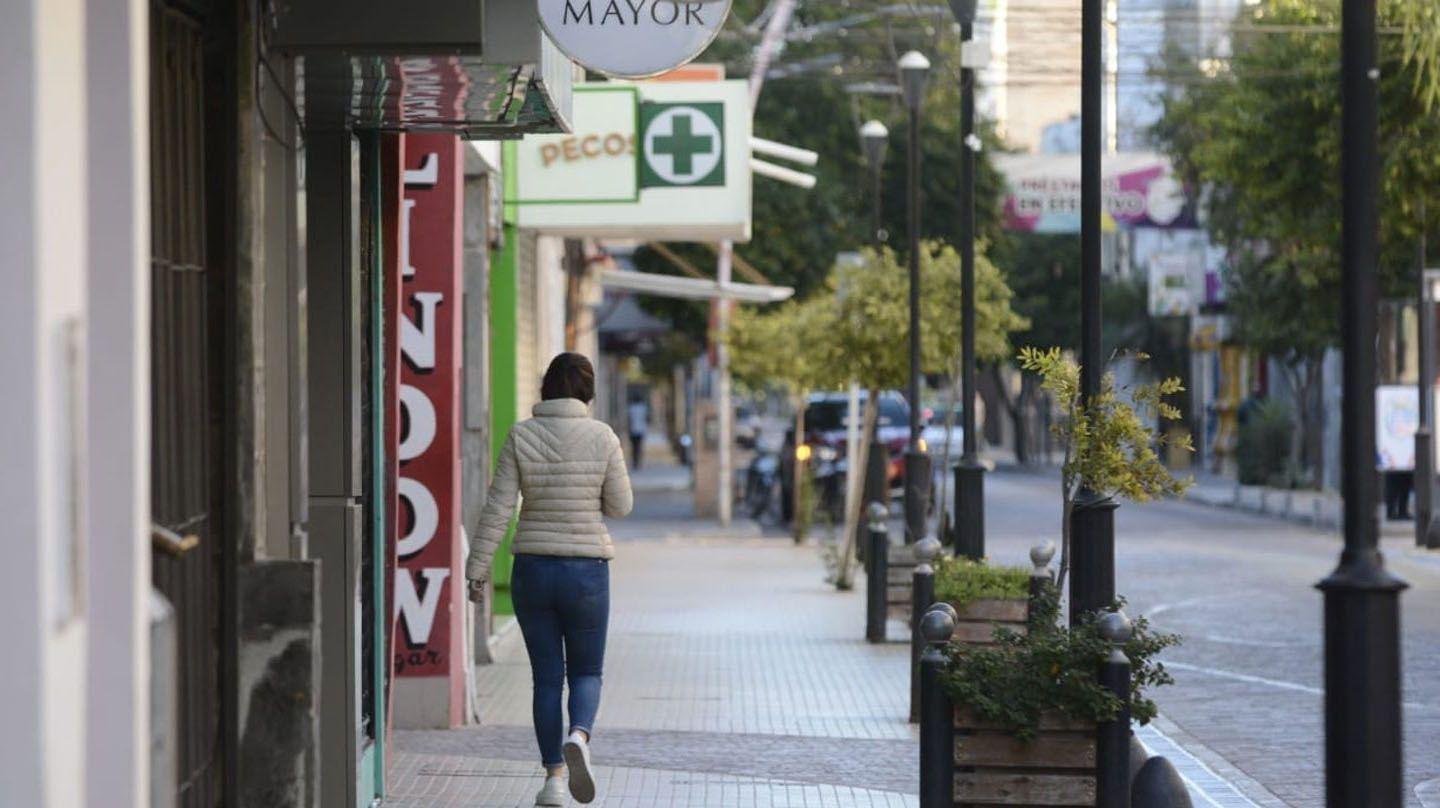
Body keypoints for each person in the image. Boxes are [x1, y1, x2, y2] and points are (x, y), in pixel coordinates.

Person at [466, 353, 633, 807]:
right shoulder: (603, 437)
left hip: (533, 571)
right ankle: (579, 734)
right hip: (586, 573)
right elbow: (620, 506)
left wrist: (477, 569)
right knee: (586, 671)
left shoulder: (522, 435)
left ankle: (554, 780)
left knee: (545, 679)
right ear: (588, 391)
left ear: (545, 389)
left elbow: (499, 507)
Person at [626, 395, 648, 469]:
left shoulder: (631, 408)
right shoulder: (643, 408)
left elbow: (629, 420)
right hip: (641, 430)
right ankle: (639, 461)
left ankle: (635, 461)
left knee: (634, 447)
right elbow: (646, 418)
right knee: (639, 446)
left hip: (633, 430)